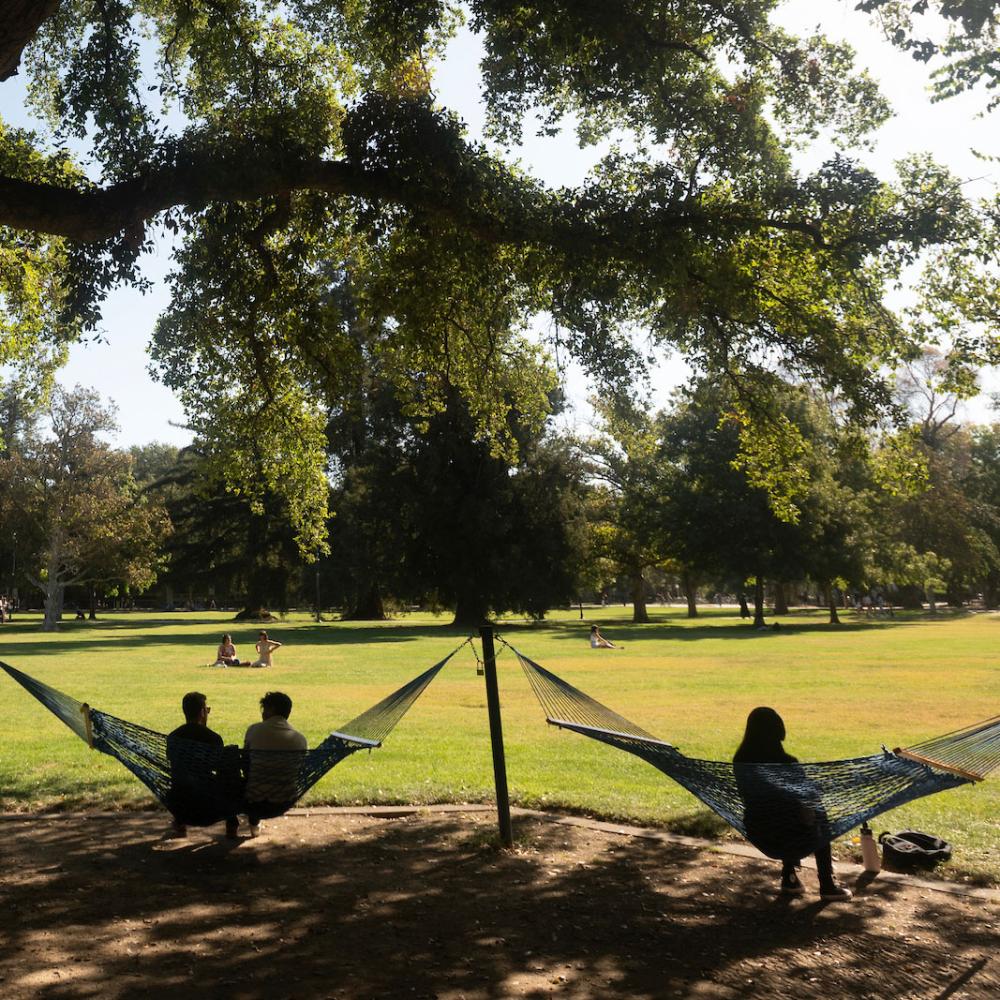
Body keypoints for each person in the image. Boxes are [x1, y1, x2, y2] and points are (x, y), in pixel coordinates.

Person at [733, 707, 852, 901]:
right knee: (819, 816)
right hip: (792, 833)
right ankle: (827, 883)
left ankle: (789, 877)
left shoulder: (740, 760)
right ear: (779, 731)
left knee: (782, 814)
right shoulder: (787, 762)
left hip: (758, 829)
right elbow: (806, 798)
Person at [166, 692, 240, 839]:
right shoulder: (213, 738)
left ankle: (180, 822)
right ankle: (232, 823)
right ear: (201, 712)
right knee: (230, 765)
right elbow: (219, 768)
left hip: (180, 800)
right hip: (206, 801)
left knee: (182, 779)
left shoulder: (173, 737)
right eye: (207, 709)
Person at [243, 691, 307, 836]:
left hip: (254, 797)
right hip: (285, 798)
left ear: (271, 709)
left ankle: (246, 823)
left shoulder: (254, 730)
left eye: (264, 709)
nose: (263, 713)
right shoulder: (300, 739)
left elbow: (245, 762)